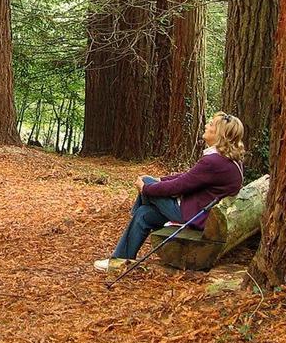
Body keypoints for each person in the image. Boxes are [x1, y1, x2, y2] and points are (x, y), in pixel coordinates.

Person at [94, 113, 246, 273]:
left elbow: (179, 186)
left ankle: (136, 213)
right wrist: (159, 179)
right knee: (144, 214)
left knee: (146, 183)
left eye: (211, 124)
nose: (207, 125)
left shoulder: (214, 162)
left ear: (219, 134)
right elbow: (188, 177)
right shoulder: (229, 160)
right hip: (203, 215)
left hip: (194, 217)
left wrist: (146, 189)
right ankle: (119, 261)